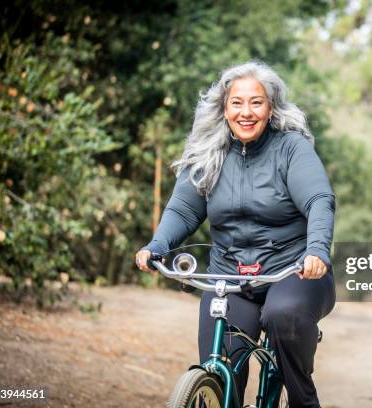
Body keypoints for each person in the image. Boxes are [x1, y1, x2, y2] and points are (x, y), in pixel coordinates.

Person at [134, 61, 335, 408]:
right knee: (222, 361)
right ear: (224, 108)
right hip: (229, 276)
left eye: (256, 102)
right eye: (237, 102)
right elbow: (183, 209)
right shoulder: (208, 152)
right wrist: (157, 246)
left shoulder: (291, 149)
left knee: (282, 315)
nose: (246, 112)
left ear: (271, 108)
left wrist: (316, 250)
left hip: (294, 271)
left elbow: (319, 200)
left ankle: (303, 400)